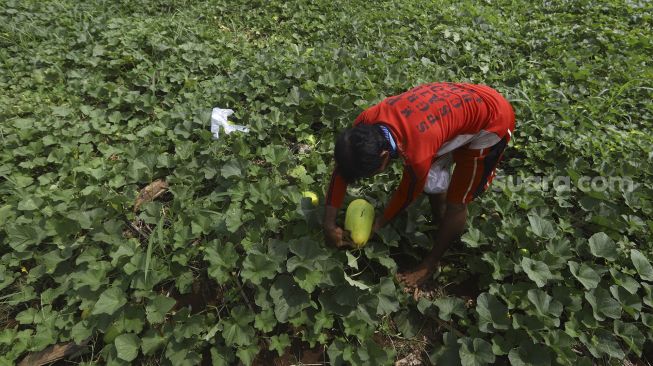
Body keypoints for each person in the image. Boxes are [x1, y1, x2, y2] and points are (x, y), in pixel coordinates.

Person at [323, 82, 515, 288]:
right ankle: (442, 222)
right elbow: (344, 166)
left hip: (492, 121)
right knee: (433, 182)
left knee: (457, 201)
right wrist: (329, 222)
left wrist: (377, 225)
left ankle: (431, 263)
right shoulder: (364, 123)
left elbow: (405, 196)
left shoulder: (417, 157)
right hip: (451, 107)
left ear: (385, 157)